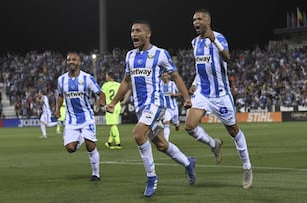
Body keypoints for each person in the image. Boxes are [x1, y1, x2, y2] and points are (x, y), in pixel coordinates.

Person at [106, 19, 196, 197]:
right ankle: (188, 163)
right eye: (132, 31)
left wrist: (186, 97)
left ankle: (151, 178)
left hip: (155, 103)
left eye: (138, 30)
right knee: (162, 145)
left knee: (138, 135)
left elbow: (175, 76)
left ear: (148, 34)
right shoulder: (130, 56)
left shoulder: (160, 54)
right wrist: (114, 102)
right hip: (141, 107)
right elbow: (126, 81)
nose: (134, 34)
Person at [184, 8, 253, 189]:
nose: (195, 22)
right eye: (193, 19)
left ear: (208, 20)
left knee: (233, 131)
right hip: (203, 94)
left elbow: (227, 57)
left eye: (199, 19)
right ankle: (213, 143)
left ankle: (247, 167)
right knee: (189, 126)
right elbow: (201, 67)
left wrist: (214, 40)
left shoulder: (219, 37)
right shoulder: (194, 42)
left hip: (221, 94)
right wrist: (194, 82)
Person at [55, 52, 106, 182]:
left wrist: (101, 101)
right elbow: (60, 96)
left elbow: (101, 93)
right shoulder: (61, 80)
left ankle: (96, 174)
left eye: (74, 60)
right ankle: (81, 138)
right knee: (70, 149)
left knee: (90, 146)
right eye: (69, 60)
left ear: (79, 62)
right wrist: (57, 109)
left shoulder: (87, 78)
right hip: (71, 120)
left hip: (86, 117)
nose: (71, 62)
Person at [101, 72, 131, 149]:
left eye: (106, 76)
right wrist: (124, 101)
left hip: (110, 106)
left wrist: (103, 104)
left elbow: (102, 96)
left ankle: (118, 143)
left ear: (109, 77)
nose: (106, 77)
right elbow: (127, 91)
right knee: (113, 124)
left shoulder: (105, 85)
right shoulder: (118, 84)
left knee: (113, 125)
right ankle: (109, 142)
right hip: (117, 106)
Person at [161, 71, 181, 141]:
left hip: (173, 107)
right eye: (163, 76)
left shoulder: (173, 84)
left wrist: (174, 95)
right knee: (166, 121)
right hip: (165, 108)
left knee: (176, 124)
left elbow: (180, 92)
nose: (164, 77)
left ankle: (177, 123)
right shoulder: (159, 85)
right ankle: (166, 140)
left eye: (165, 76)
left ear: (168, 76)